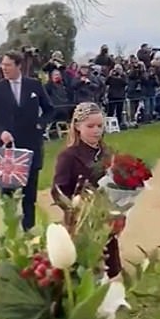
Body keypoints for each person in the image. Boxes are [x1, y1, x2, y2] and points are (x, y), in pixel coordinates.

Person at [0, 50, 54, 231]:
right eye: (3, 65)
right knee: (8, 200)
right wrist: (1, 132)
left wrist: (41, 125)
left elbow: (49, 110)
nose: (4, 68)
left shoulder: (35, 86)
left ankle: (29, 235)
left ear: (19, 66)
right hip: (7, 151)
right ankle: (11, 237)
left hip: (30, 148)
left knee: (29, 198)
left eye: (8, 65)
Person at [51, 102, 121, 279]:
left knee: (109, 263)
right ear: (77, 126)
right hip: (80, 223)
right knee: (85, 268)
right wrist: (76, 206)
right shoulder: (68, 156)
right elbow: (58, 190)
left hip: (105, 219)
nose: (96, 130)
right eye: (90, 126)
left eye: (99, 126)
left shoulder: (107, 151)